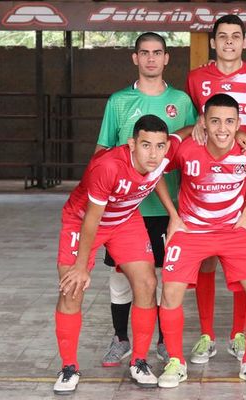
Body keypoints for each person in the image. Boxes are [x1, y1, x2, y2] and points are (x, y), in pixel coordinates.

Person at [53, 115, 183, 394]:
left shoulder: (162, 155)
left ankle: (139, 361)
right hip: (84, 221)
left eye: (160, 146)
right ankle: (68, 367)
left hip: (124, 221)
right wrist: (81, 266)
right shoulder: (107, 166)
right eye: (146, 145)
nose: (153, 153)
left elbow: (185, 135)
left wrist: (203, 125)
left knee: (147, 284)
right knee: (71, 288)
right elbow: (92, 218)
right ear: (132, 143)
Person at [155, 93, 246, 388]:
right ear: (203, 122)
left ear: (239, 125)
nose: (222, 128)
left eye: (230, 122)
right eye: (215, 121)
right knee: (170, 293)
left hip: (233, 230)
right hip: (191, 231)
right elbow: (155, 169)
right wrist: (173, 215)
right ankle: (175, 362)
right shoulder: (186, 149)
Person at [95, 32, 197, 366]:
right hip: (125, 209)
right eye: (144, 53)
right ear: (135, 58)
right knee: (123, 274)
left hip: (169, 208)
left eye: (157, 53)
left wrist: (172, 140)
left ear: (167, 58)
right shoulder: (118, 101)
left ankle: (165, 341)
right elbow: (101, 151)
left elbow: (195, 143)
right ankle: (121, 339)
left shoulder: (181, 101)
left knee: (168, 274)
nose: (151, 58)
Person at [185, 14, 246, 364]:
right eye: (222, 36)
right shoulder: (197, 79)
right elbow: (199, 120)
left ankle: (240, 334)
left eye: (235, 36)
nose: (228, 42)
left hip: (242, 183)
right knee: (206, 260)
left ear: (244, 41)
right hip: (206, 185)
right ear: (213, 42)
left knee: (245, 258)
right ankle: (206, 334)